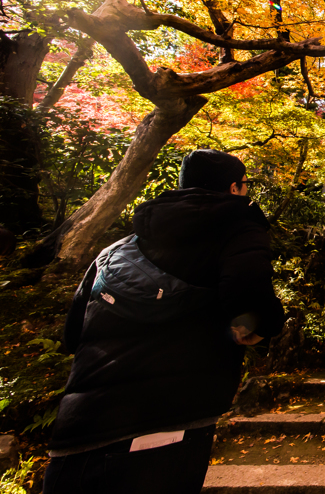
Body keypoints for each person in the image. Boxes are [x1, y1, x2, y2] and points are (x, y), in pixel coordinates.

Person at [43, 149, 284, 494]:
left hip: (81, 426)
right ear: (233, 188)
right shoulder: (238, 226)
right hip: (171, 417)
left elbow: (72, 335)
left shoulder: (121, 248)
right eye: (245, 184)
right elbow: (249, 298)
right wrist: (260, 329)